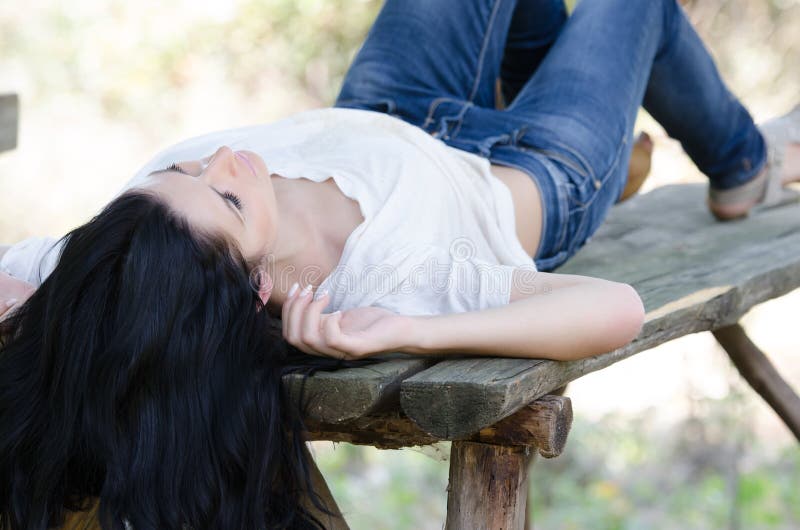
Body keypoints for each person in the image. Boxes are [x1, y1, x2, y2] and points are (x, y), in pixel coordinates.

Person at [1, 0, 798, 528]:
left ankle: (587, 111)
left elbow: (30, 275)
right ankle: (738, 163)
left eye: (187, 174)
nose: (225, 160)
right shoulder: (393, 276)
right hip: (529, 176)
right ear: (257, 289)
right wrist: (416, 326)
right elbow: (614, 308)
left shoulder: (139, 248)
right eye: (229, 201)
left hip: (389, 107)